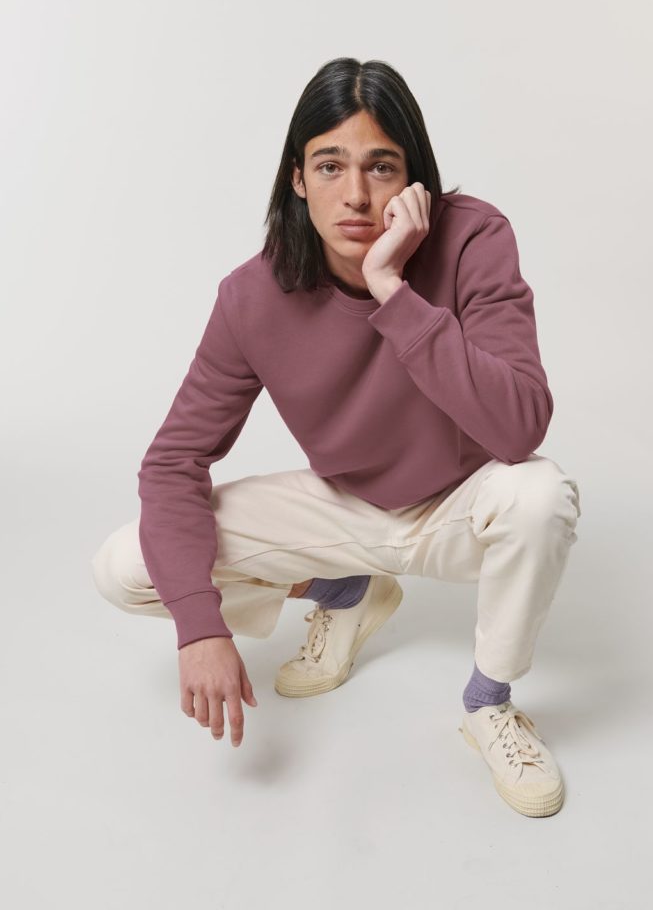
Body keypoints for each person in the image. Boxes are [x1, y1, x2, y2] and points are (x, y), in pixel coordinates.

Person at [91, 56, 581, 818]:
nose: (355, 194)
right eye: (330, 165)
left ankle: (490, 702)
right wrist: (199, 627)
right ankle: (343, 589)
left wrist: (392, 289)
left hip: (459, 507)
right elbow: (174, 461)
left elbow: (520, 427)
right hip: (344, 509)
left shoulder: (473, 238)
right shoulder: (252, 295)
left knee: (541, 495)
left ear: (415, 180)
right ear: (297, 178)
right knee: (126, 567)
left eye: (381, 166)